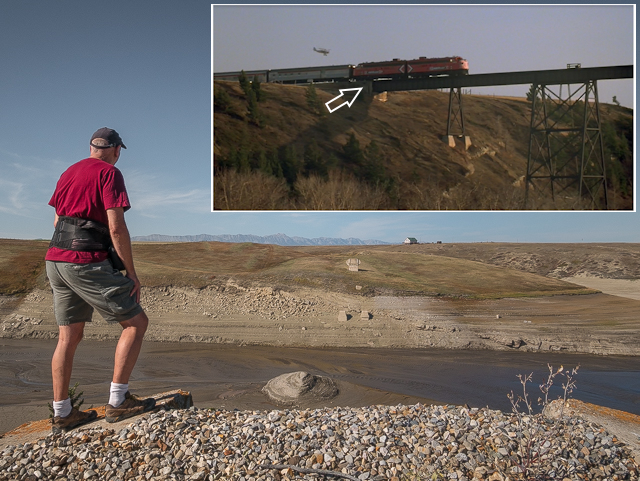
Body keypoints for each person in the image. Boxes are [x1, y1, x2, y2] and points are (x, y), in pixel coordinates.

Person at [45, 127, 155, 434]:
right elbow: (116, 226)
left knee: (68, 336)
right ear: (117, 149)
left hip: (56, 258)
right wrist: (131, 273)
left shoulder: (69, 171)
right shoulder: (110, 173)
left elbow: (56, 220)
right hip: (85, 260)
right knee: (136, 323)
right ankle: (118, 402)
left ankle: (63, 413)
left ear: (92, 147)